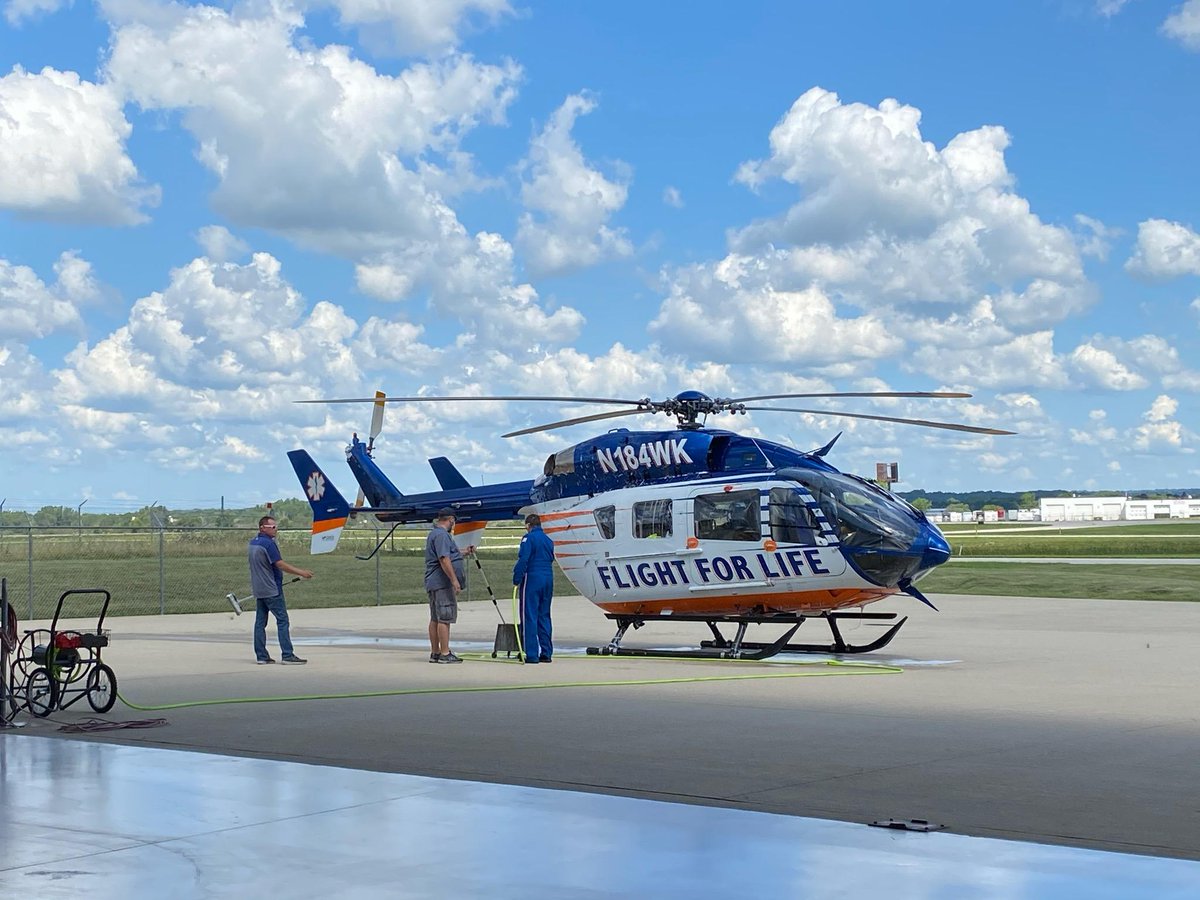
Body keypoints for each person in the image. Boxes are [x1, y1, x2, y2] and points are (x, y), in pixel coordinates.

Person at [248, 515, 313, 665]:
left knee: (260, 623)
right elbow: (280, 564)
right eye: (272, 527)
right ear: (262, 528)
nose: (275, 529)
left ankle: (261, 656)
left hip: (259, 589)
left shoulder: (253, 543)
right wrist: (301, 572)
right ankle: (287, 655)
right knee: (282, 620)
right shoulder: (268, 544)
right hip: (272, 589)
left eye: (275, 527)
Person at [425, 508, 468, 664]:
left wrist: (464, 552)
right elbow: (444, 558)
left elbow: (449, 554)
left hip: (434, 583)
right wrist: (454, 580)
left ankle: (435, 652)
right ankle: (444, 652)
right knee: (445, 617)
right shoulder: (442, 535)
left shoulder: (435, 534)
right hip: (441, 583)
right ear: (451, 520)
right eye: (453, 521)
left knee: (435, 618)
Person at [513, 513, 555, 664]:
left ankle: (531, 654)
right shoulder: (549, 540)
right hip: (548, 578)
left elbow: (524, 559)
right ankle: (546, 652)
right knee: (544, 615)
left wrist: (517, 577)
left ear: (528, 525)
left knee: (529, 615)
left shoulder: (528, 538)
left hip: (532, 578)